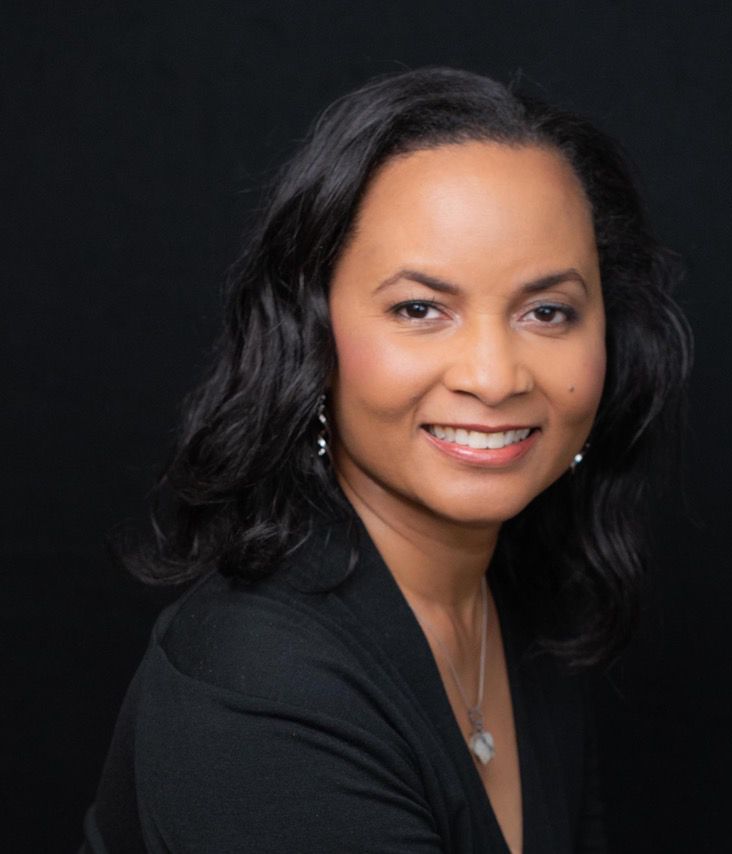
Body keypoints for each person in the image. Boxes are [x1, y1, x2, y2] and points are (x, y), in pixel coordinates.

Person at [81, 66, 691, 853]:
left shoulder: (520, 603)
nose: (495, 376)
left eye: (547, 311)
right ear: (311, 334)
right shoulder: (255, 686)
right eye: (420, 309)